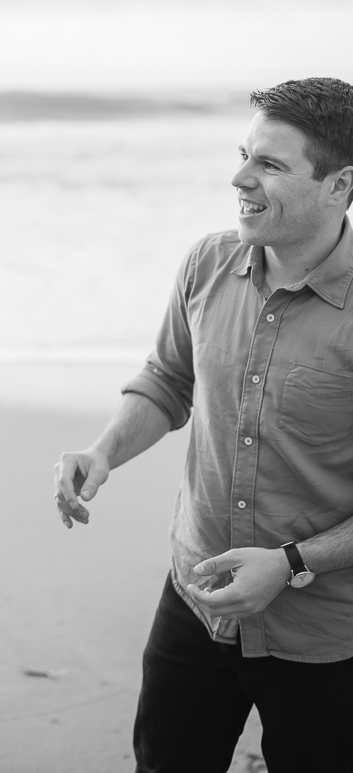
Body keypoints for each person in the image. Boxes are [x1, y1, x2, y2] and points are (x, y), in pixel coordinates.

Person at [54, 77, 353, 773]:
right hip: (195, 597)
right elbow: (168, 380)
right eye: (244, 154)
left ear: (339, 187)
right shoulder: (207, 262)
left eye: (270, 165)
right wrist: (104, 451)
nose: (239, 178)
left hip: (325, 631)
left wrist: (289, 565)